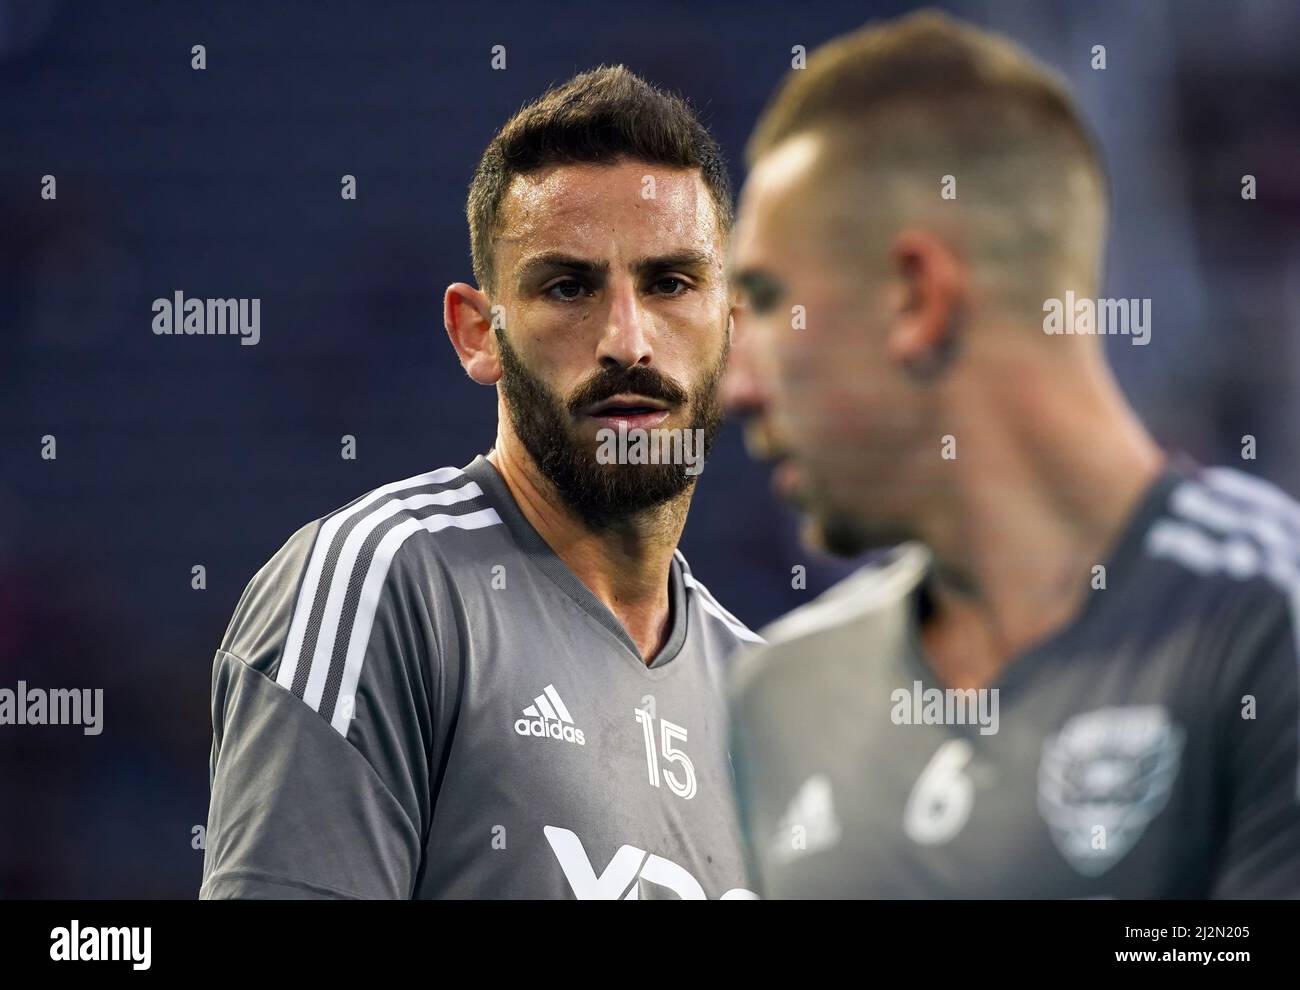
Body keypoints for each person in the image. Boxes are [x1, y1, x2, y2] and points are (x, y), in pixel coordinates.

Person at [723, 11, 1300, 897]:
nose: (735, 388)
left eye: (764, 301)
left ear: (918, 298)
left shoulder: (1269, 625)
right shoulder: (773, 697)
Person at [201, 65, 760, 899]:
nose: (627, 341)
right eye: (568, 287)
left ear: (734, 330)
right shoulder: (378, 583)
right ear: (477, 333)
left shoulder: (767, 701)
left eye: (670, 283)